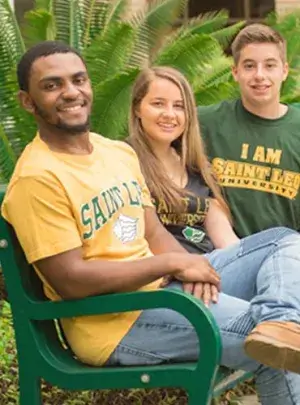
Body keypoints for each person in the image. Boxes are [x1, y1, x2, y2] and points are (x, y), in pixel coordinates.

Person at [1, 42, 300, 405]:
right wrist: (174, 263)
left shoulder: (116, 153)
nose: (71, 92)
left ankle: (285, 321)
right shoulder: (38, 178)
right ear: (27, 101)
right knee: (271, 350)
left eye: (79, 79)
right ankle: (281, 329)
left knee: (283, 243)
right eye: (52, 85)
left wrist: (189, 269)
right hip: (114, 322)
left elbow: (154, 232)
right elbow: (70, 281)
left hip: (165, 292)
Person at [197, 23, 300, 238]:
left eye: (270, 65)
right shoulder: (206, 122)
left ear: (285, 71)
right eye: (249, 66)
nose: (259, 75)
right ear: (235, 72)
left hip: (288, 257)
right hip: (226, 257)